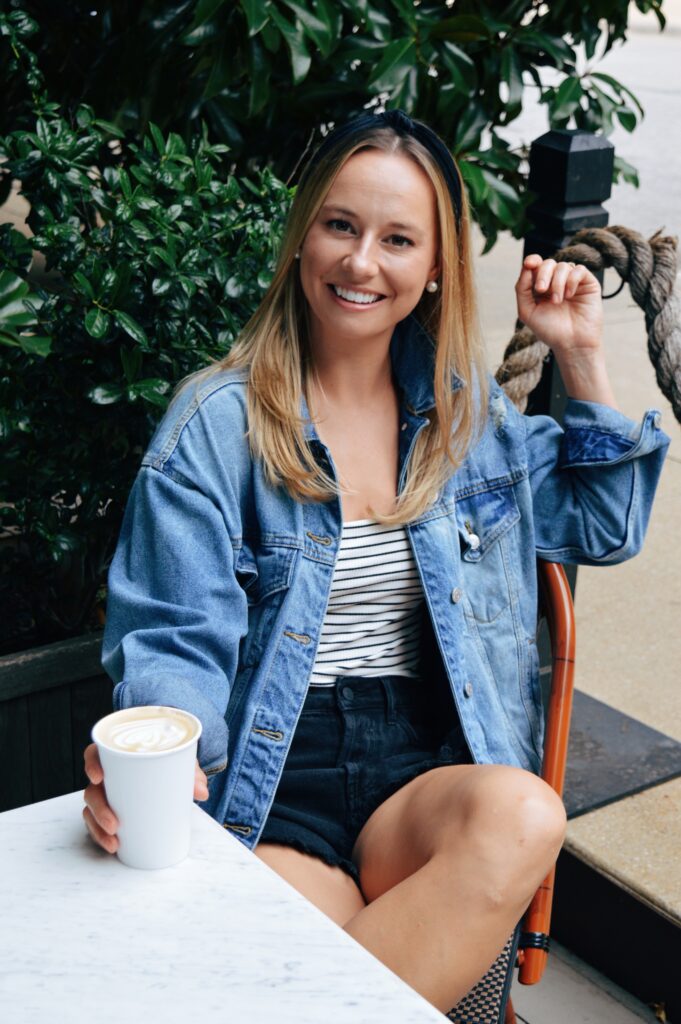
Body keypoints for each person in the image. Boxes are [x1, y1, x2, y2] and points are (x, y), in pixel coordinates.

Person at [82, 109, 669, 1015]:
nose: (362, 264)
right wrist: (165, 753)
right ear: (302, 235)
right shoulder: (214, 425)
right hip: (279, 776)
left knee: (526, 814)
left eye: (398, 239)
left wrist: (581, 353)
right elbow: (176, 637)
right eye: (341, 226)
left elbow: (601, 527)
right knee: (341, 989)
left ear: (436, 268)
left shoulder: (465, 418)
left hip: (424, 768)